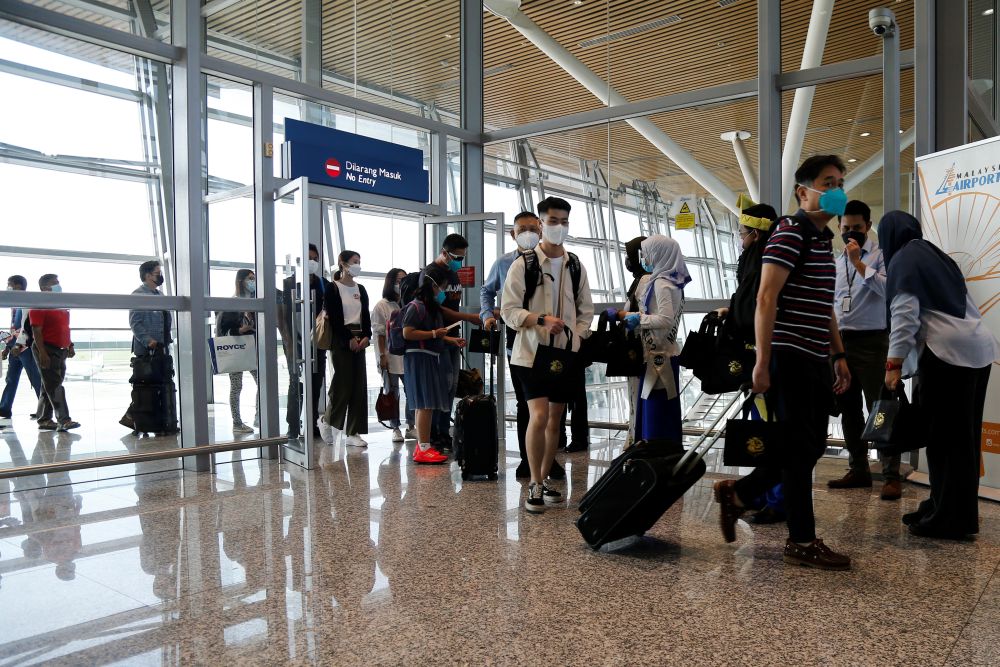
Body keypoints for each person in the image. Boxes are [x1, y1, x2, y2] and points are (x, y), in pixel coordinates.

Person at [713, 155, 853, 570]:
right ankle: (801, 539)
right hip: (788, 355)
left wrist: (838, 353)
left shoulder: (822, 240)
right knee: (801, 446)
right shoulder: (789, 232)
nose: (837, 189)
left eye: (840, 181)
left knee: (805, 446)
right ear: (803, 191)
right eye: (828, 181)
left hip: (813, 356)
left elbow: (823, 305)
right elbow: (766, 298)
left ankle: (740, 494)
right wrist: (763, 361)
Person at [879, 211, 999, 539]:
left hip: (949, 356)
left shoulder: (903, 260)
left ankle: (950, 518)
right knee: (963, 440)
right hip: (978, 350)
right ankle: (943, 505)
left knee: (945, 440)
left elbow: (904, 315)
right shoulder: (936, 255)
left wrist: (893, 365)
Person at [501, 196, 594, 513]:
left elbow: (586, 311)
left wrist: (577, 337)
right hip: (530, 353)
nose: (559, 227)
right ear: (541, 224)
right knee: (538, 416)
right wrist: (540, 320)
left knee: (556, 419)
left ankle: (545, 478)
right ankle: (535, 482)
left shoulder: (575, 265)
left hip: (564, 356)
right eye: (553, 221)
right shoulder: (523, 265)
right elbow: (508, 311)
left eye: (564, 222)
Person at [481, 211, 568, 478]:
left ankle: (549, 458)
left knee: (554, 406)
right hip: (518, 343)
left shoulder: (557, 261)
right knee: (525, 403)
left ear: (541, 229)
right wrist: (487, 315)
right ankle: (526, 458)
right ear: (513, 233)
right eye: (523, 229)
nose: (528, 232)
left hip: (553, 342)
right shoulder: (505, 263)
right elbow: (487, 290)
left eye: (533, 227)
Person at [827, 200, 903, 500]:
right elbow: (833, 304)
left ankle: (890, 474)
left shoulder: (882, 257)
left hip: (874, 342)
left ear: (868, 226)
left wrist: (860, 263)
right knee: (848, 410)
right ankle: (858, 468)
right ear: (838, 228)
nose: (850, 234)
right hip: (843, 343)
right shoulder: (836, 262)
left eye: (856, 228)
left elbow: (888, 290)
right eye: (845, 229)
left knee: (881, 408)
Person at [722, 198, 786, 525]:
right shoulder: (752, 260)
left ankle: (777, 499)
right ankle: (761, 494)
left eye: (743, 231)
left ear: (757, 234)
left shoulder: (767, 262)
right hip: (754, 355)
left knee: (769, 427)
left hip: (767, 356)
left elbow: (763, 306)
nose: (740, 237)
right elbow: (746, 303)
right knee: (758, 427)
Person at [621, 235, 690, 442]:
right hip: (668, 352)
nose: (645, 258)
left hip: (657, 356)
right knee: (665, 411)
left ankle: (653, 453)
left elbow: (665, 319)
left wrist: (638, 319)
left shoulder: (660, 283)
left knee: (655, 411)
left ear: (659, 253)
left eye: (647, 253)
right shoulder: (675, 282)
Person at [402, 265, 466, 464]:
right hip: (419, 358)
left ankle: (423, 446)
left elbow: (431, 332)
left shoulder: (427, 307)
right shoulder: (416, 306)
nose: (443, 292)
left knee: (426, 404)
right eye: (442, 288)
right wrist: (433, 334)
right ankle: (423, 447)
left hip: (427, 356)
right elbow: (407, 332)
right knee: (424, 404)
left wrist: (449, 340)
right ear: (432, 286)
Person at [427, 234, 481, 452]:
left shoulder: (454, 274)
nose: (459, 260)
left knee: (451, 386)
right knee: (440, 386)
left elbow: (455, 304)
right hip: (439, 335)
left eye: (462, 257)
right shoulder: (431, 274)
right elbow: (435, 308)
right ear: (444, 252)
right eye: (456, 256)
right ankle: (434, 433)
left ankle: (444, 431)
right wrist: (467, 318)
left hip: (453, 333)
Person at [318, 250, 372, 448]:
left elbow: (365, 315)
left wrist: (366, 336)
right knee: (343, 382)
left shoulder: (361, 289)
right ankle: (327, 420)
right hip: (341, 339)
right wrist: (348, 338)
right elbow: (334, 316)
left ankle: (353, 431)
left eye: (359, 261)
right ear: (342, 263)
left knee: (359, 384)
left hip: (360, 338)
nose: (357, 265)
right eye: (354, 261)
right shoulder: (333, 288)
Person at [278, 243, 328, 439]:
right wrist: (289, 343)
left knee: (316, 384)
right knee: (295, 384)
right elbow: (282, 318)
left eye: (315, 258)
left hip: (317, 343)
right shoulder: (289, 284)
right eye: (309, 258)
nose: (313, 262)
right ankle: (293, 425)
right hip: (295, 342)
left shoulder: (323, 284)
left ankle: (313, 422)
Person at [120, 260, 173, 432]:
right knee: (146, 385)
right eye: (158, 273)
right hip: (146, 349)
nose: (160, 276)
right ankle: (133, 415)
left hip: (161, 347)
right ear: (148, 275)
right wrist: (148, 340)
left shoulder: (160, 296)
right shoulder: (138, 295)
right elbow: (135, 323)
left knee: (160, 384)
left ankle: (156, 420)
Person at [29, 274, 79, 432]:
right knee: (55, 385)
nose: (59, 285)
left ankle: (44, 419)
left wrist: (70, 345)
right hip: (46, 348)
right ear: (44, 287)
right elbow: (36, 331)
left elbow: (65, 327)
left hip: (61, 349)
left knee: (49, 384)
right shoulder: (39, 305)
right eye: (55, 283)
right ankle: (64, 420)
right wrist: (43, 353)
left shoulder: (60, 305)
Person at [373, 268, 414, 443]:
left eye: (404, 280)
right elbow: (379, 333)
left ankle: (411, 426)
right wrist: (382, 356)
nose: (401, 284)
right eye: (398, 280)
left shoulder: (408, 303)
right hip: (389, 355)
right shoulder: (382, 305)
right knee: (392, 392)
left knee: (411, 391)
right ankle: (395, 427)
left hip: (406, 355)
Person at [217, 269, 259, 434]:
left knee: (261, 382)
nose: (253, 282)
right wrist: (242, 329)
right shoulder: (233, 303)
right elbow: (224, 329)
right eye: (250, 279)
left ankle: (259, 415)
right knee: (236, 386)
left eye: (254, 279)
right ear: (241, 281)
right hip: (237, 349)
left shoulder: (256, 302)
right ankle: (237, 422)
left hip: (251, 349)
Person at [619, 236, 649, 447]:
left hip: (640, 349)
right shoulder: (640, 279)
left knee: (636, 398)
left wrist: (620, 315)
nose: (628, 262)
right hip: (639, 348)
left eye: (629, 256)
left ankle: (634, 441)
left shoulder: (645, 281)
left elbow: (639, 314)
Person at [0, 275, 42, 422]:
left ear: (17, 286)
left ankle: (44, 410)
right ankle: (4, 408)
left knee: (36, 379)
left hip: (26, 348)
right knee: (11, 379)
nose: (7, 287)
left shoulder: (27, 302)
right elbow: (14, 329)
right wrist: (7, 347)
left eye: (9, 284)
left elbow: (26, 328)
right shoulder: (15, 303)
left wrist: (18, 345)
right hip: (15, 349)